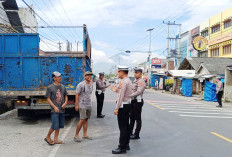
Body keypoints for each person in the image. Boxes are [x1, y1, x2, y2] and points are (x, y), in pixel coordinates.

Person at [111, 66, 133, 154]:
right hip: (127, 105)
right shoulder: (128, 81)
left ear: (122, 72)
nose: (117, 73)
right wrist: (115, 90)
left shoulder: (124, 82)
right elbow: (121, 92)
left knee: (123, 127)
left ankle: (122, 147)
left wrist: (116, 108)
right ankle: (126, 144)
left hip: (123, 106)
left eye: (118, 71)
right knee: (126, 126)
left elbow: (121, 96)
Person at [44, 71, 68, 145]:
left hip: (62, 109)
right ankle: (48, 137)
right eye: (58, 76)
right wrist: (54, 107)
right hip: (55, 110)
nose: (60, 77)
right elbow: (48, 98)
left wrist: (65, 103)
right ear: (54, 78)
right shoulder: (50, 87)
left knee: (59, 125)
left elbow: (66, 96)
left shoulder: (63, 87)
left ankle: (56, 139)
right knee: (54, 125)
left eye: (60, 76)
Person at [74, 71, 94, 142]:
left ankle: (85, 135)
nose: (89, 77)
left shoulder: (91, 84)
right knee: (82, 119)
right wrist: (76, 104)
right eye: (87, 75)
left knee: (86, 119)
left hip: (89, 104)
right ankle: (76, 136)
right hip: (82, 104)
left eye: (90, 75)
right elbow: (77, 95)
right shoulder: (81, 84)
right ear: (84, 76)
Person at [129, 67, 146, 140]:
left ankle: (136, 134)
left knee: (137, 118)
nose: (135, 74)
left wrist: (129, 95)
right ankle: (130, 132)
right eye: (134, 72)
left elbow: (139, 91)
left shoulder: (141, 81)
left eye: (137, 73)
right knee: (131, 117)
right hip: (133, 101)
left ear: (141, 73)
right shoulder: (135, 80)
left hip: (138, 102)